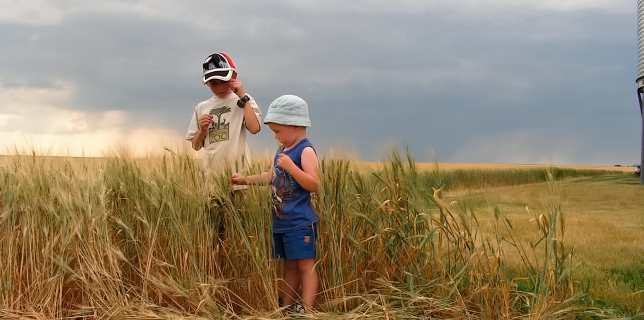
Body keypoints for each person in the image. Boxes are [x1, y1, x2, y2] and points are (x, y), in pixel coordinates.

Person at [231, 95, 320, 312]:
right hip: (282, 221)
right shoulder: (282, 152)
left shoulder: (305, 151)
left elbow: (314, 184)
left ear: (294, 125)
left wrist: (291, 167)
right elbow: (272, 176)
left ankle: (307, 311)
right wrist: (245, 180)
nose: (275, 137)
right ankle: (286, 307)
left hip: (300, 222)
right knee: (289, 265)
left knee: (305, 266)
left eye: (278, 131)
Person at [185, 51, 261, 174]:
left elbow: (255, 128)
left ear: (233, 76)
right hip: (212, 176)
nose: (219, 87)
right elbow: (196, 146)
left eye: (223, 81)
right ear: (207, 83)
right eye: (214, 83)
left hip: (240, 173)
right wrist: (202, 131)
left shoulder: (244, 100)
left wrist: (243, 96)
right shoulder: (201, 107)